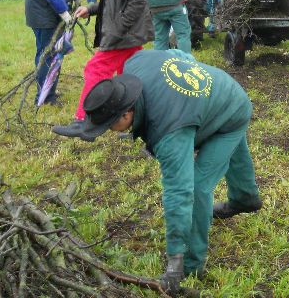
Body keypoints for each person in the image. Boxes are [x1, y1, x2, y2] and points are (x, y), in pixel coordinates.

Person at [67, 49, 262, 293]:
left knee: (198, 185)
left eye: (110, 125)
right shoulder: (135, 64)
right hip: (218, 89)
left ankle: (192, 264)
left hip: (231, 110)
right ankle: (246, 198)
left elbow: (179, 192)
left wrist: (175, 261)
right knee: (228, 150)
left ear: (127, 113)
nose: (109, 131)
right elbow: (180, 54)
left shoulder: (170, 130)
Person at [53, 0, 153, 137]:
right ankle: (140, 122)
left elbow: (138, 1)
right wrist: (90, 9)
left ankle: (83, 121)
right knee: (130, 78)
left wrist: (118, 29)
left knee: (95, 69)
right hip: (125, 34)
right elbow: (112, 1)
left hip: (123, 35)